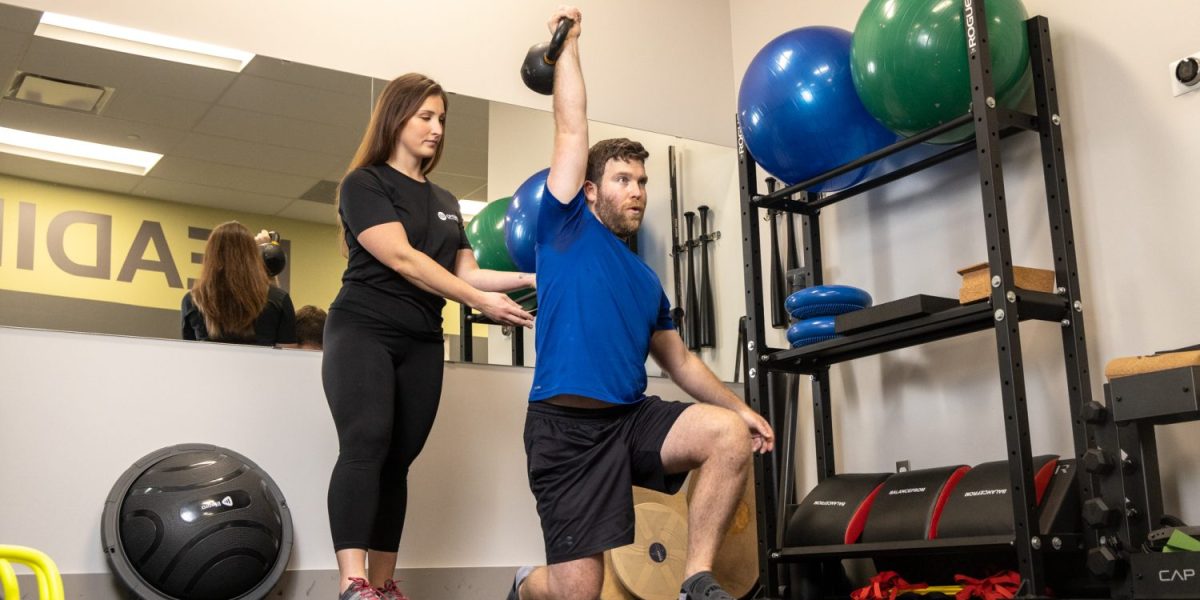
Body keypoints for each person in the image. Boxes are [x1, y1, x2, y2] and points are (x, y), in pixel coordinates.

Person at [507, 8, 776, 600]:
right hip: (565, 431)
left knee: (727, 435)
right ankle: (527, 586)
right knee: (580, 589)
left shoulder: (644, 280)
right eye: (623, 179)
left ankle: (695, 580)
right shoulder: (563, 229)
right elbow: (572, 128)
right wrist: (571, 48)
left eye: (643, 181)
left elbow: (680, 363)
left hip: (627, 421)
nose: (636, 191)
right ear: (590, 189)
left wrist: (742, 408)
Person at [324, 72, 535, 600]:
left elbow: (465, 272)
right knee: (366, 442)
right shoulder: (364, 184)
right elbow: (401, 256)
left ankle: (381, 583)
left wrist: (534, 277)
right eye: (426, 116)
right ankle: (352, 582)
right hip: (364, 327)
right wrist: (478, 302)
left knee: (399, 461)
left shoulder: (444, 200)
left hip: (420, 338)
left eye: (442, 119)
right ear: (396, 118)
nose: (437, 128)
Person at [182, 221, 298, 347]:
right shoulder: (278, 300)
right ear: (253, 257)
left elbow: (190, 355)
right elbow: (288, 357)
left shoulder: (193, 300)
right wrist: (265, 254)